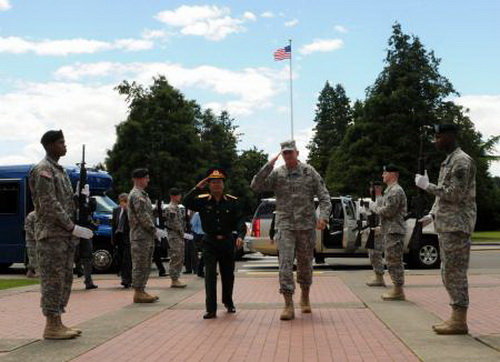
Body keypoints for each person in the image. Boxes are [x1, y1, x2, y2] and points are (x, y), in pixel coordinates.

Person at [251, 140, 332, 320]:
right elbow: (256, 186)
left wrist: (324, 217)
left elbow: (324, 196)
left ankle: (305, 296)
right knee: (285, 265)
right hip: (285, 226)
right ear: (282, 154)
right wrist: (268, 166)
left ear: (297, 153)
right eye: (285, 153)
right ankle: (288, 304)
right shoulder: (277, 174)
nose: (288, 155)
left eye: (290, 152)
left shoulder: (309, 172)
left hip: (306, 226)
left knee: (305, 265)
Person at [29, 130, 93, 339]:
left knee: (65, 278)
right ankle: (51, 325)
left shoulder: (61, 171)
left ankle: (57, 321)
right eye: (60, 142)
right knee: (52, 280)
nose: (65, 146)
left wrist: (80, 198)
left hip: (63, 237)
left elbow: (64, 201)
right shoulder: (43, 170)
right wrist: (70, 226)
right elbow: (49, 204)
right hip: (52, 235)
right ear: (49, 145)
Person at [415, 124, 476, 335]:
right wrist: (432, 214)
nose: (436, 141)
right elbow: (444, 197)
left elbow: (455, 194)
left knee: (455, 272)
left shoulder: (461, 161)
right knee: (447, 271)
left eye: (439, 137)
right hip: (447, 224)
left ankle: (459, 320)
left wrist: (427, 186)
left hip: (457, 225)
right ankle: (456, 317)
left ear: (450, 136)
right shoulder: (448, 161)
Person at [183, 168, 246, 319]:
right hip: (210, 242)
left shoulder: (232, 202)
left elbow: (240, 220)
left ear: (223, 185)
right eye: (213, 183)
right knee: (210, 275)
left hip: (227, 241)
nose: (216, 185)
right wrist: (197, 187)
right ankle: (210, 309)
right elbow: (186, 201)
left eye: (219, 182)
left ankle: (228, 301)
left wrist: (241, 235)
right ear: (209, 185)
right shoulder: (202, 201)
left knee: (228, 275)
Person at [369, 164, 407, 300]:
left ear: (392, 174)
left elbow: (388, 211)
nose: (382, 175)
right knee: (391, 260)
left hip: (394, 230)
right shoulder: (390, 190)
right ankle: (397, 289)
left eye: (385, 173)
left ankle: (398, 290)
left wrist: (373, 207)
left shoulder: (396, 191)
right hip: (390, 230)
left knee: (394, 260)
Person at [128, 168, 167, 303]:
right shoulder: (137, 195)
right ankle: (138, 291)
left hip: (145, 236)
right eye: (146, 178)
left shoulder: (143, 195)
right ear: (139, 179)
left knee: (145, 263)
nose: (148, 180)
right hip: (140, 236)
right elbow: (142, 216)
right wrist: (154, 230)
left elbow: (147, 213)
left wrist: (157, 210)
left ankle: (141, 290)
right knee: (140, 264)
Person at [165, 188, 187, 288]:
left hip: (178, 235)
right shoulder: (171, 208)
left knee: (180, 256)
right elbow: (174, 223)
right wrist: (182, 232)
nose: (180, 197)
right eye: (178, 195)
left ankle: (176, 278)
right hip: (174, 235)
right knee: (176, 256)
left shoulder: (177, 207)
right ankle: (174, 279)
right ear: (173, 196)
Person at [365, 182, 386, 287]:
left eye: (372, 188)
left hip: (378, 231)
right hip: (373, 230)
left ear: (378, 188)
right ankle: (377, 276)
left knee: (376, 254)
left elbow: (383, 215)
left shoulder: (381, 200)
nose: (370, 190)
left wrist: (380, 227)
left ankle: (380, 278)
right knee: (372, 254)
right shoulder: (374, 201)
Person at [112, 193, 132, 288]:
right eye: (121, 201)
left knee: (127, 259)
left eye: (125, 201)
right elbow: (114, 225)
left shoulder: (130, 211)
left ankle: (126, 280)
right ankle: (124, 276)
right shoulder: (116, 210)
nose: (123, 203)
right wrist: (113, 239)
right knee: (120, 259)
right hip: (119, 236)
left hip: (127, 237)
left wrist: (127, 210)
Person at [184, 211, 199, 275]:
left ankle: (192, 268)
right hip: (198, 234)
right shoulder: (197, 213)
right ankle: (192, 268)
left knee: (191, 252)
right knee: (190, 251)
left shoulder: (196, 214)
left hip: (195, 234)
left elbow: (192, 225)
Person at [190, 211, 205, 277]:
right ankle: (200, 270)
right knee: (203, 253)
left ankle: (202, 270)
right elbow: (192, 225)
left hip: (206, 235)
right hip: (199, 235)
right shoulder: (197, 214)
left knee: (206, 253)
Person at [24, 210, 38, 278]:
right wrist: (34, 236)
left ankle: (30, 272)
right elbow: (27, 227)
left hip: (37, 240)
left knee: (36, 256)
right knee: (33, 256)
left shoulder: (41, 214)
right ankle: (35, 272)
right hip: (31, 240)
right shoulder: (31, 215)